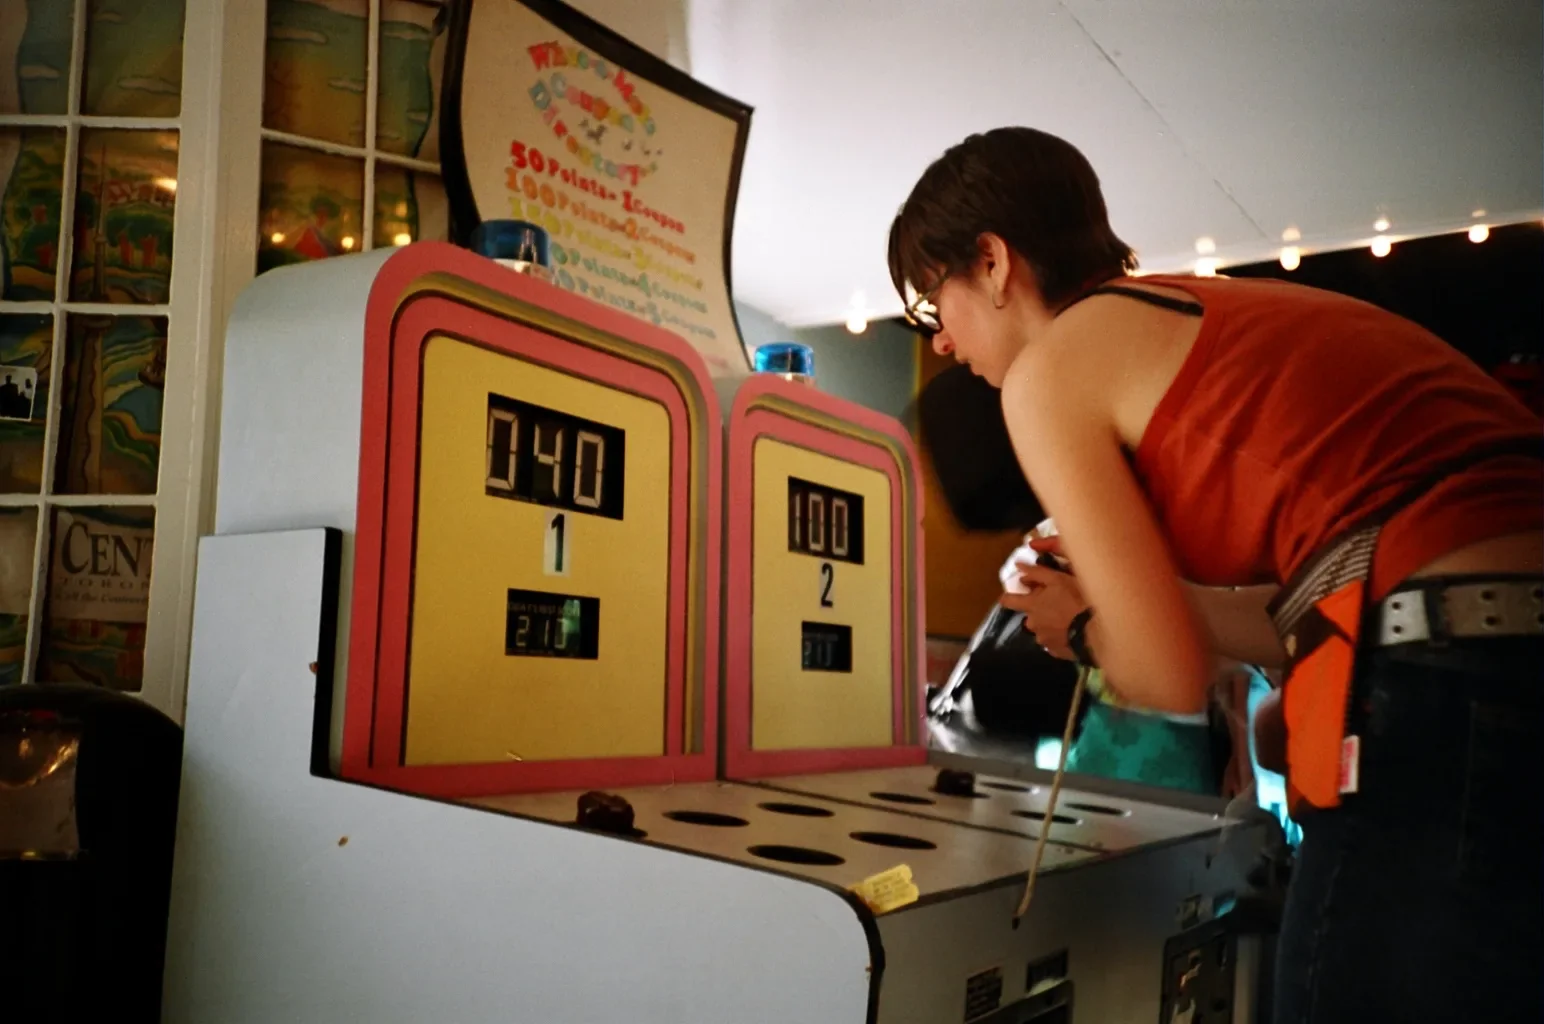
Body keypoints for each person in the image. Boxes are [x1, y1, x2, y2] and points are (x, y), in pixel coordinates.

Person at [889, 126, 1542, 1024]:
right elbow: (1311, 612)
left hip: (1442, 672)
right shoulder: (1191, 317)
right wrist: (1126, 605)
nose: (947, 346)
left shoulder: (1051, 369)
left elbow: (1165, 674)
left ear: (994, 263)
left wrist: (1086, 629)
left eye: (934, 306)